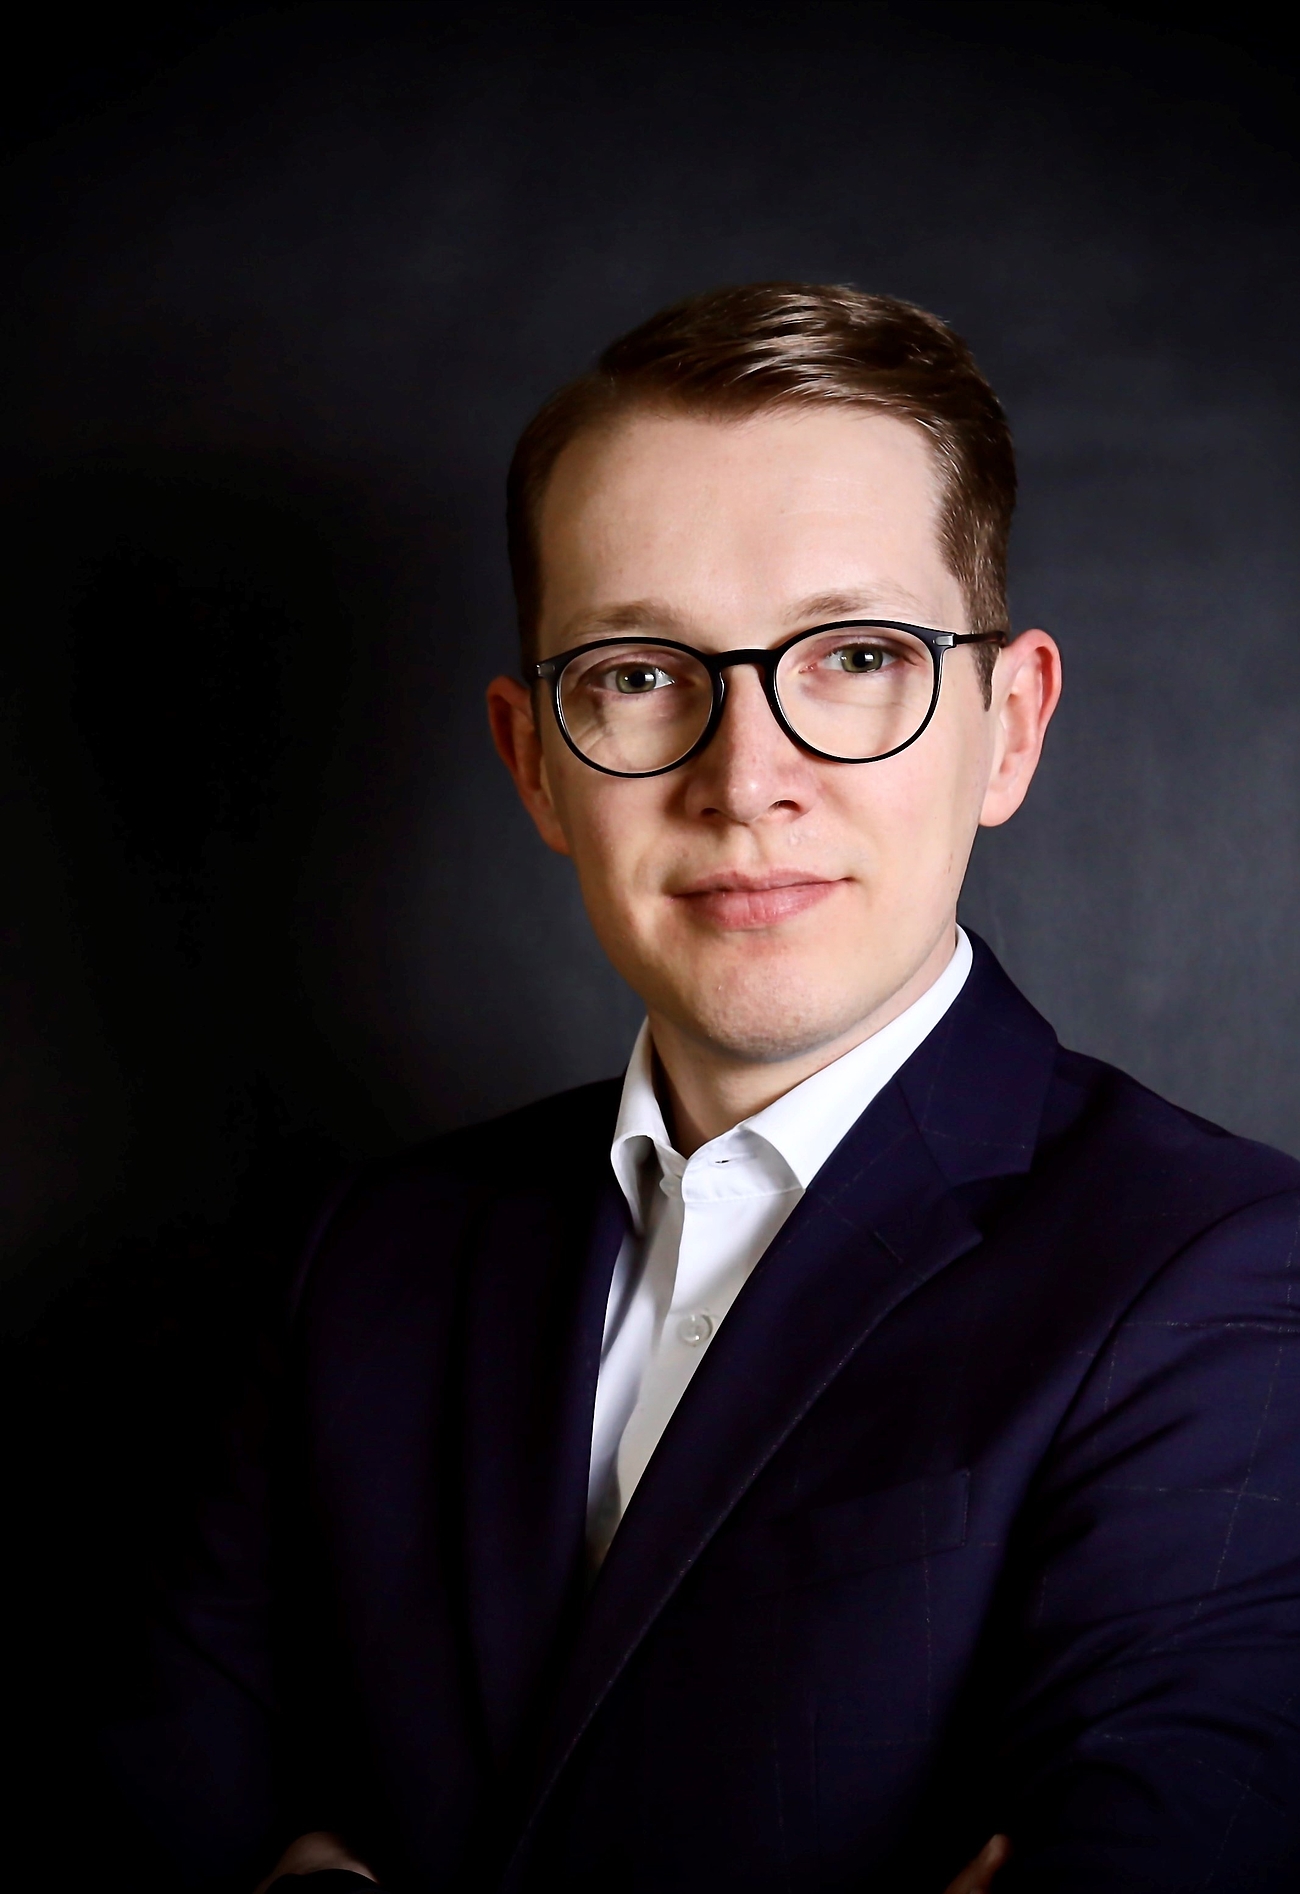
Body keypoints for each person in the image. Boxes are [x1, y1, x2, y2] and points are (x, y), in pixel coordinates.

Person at [108, 285, 1300, 1892]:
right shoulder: (366, 1256)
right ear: (534, 761)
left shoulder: (1226, 1279)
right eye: (638, 673)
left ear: (1008, 728)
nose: (747, 779)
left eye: (860, 655)